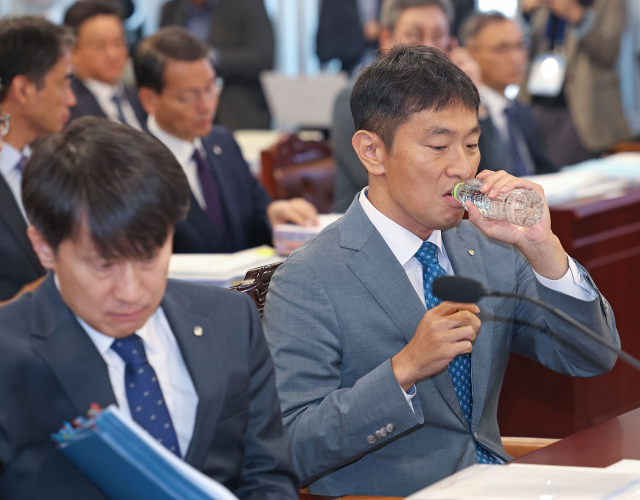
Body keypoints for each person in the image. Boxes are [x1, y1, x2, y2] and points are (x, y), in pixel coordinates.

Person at [262, 44, 619, 497]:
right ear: (372, 151)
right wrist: (403, 371)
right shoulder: (308, 278)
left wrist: (543, 248)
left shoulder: (490, 247)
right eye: (437, 146)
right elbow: (290, 449)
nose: (463, 167)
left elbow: (591, 357)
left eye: (471, 145)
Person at [0, 117, 299, 499]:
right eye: (103, 266)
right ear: (44, 247)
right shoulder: (8, 353)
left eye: (148, 258)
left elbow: (268, 475)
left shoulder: (230, 319)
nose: (130, 292)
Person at [134, 27, 317, 254]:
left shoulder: (222, 142)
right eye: (188, 97)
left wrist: (275, 213)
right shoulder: (135, 167)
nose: (206, 105)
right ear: (149, 100)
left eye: (211, 87)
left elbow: (257, 212)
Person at [331, 0, 503, 212]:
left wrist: (472, 100)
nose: (428, 47)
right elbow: (395, 179)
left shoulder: (451, 102)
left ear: (451, 44)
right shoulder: (357, 98)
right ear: (386, 38)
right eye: (414, 36)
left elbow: (497, 175)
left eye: (438, 36)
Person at [0, 16, 76, 303]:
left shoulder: (58, 160)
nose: (71, 99)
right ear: (23, 89)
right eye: (63, 84)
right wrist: (23, 303)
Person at [521, 0, 629, 166]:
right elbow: (521, 49)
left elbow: (608, 52)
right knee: (529, 168)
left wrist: (579, 18)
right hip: (534, 100)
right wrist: (526, 15)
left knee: (562, 171)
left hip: (581, 106)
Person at [461, 12, 558, 176]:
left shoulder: (519, 109)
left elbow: (543, 167)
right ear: (470, 54)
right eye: (502, 48)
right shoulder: (467, 113)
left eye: (520, 45)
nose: (516, 58)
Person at [159, 0, 274, 130]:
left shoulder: (248, 4)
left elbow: (262, 58)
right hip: (183, 108)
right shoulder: (171, 8)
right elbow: (162, 59)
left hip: (237, 107)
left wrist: (210, 58)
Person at [64, 0, 146, 130]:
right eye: (99, 45)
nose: (113, 54)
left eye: (118, 42)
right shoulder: (67, 106)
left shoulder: (141, 98)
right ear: (72, 51)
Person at [316, 0, 382, 74]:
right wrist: (363, 34)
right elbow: (324, 49)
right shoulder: (334, 3)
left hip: (386, 69)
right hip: (350, 70)